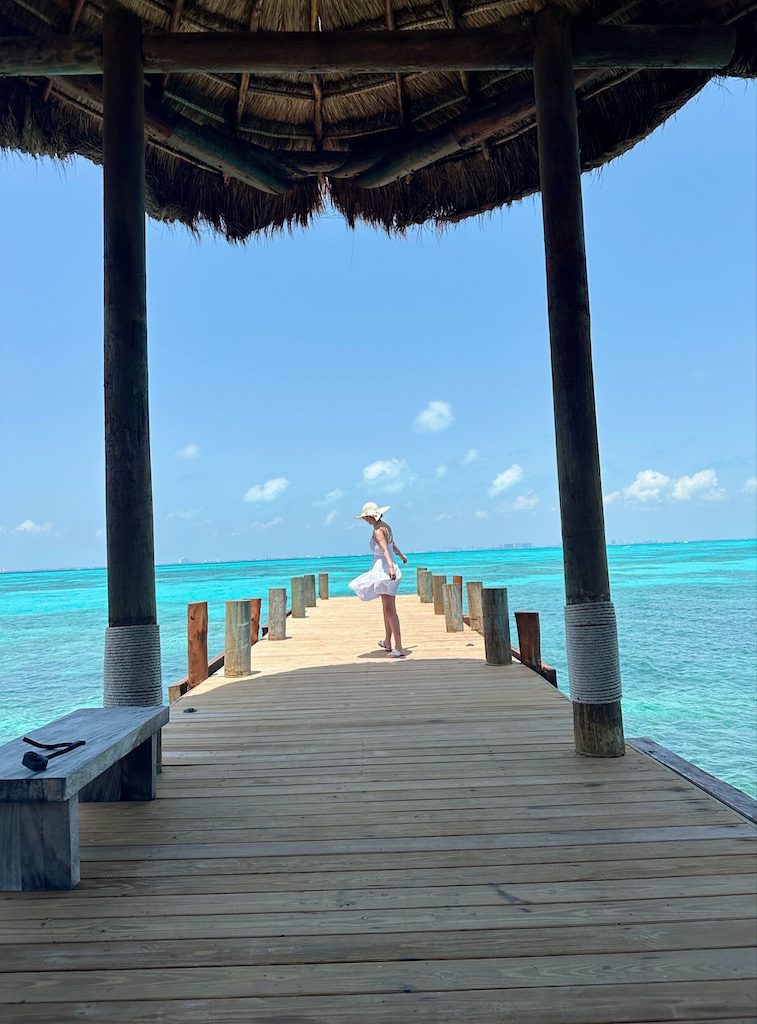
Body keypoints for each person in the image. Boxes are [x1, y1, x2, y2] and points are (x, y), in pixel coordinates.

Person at [348, 501, 408, 657]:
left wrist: (391, 567)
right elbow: (392, 545)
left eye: (366, 517)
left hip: (385, 572)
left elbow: (384, 549)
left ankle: (399, 647)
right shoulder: (386, 526)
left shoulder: (377, 531)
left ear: (371, 517)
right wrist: (401, 556)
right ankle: (388, 641)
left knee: (390, 611)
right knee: (386, 608)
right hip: (387, 569)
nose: (365, 520)